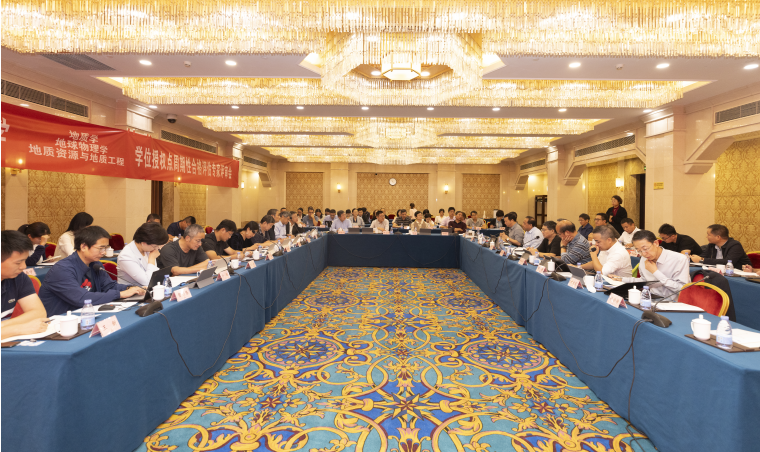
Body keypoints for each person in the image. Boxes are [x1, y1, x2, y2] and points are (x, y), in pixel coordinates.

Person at [40, 226, 143, 316]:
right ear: (83, 247)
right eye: (101, 248)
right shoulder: (62, 270)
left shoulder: (95, 264)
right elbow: (82, 298)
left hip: (86, 315)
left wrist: (132, 288)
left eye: (105, 248)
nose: (104, 252)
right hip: (62, 323)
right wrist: (120, 294)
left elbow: (109, 286)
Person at [1, 231, 49, 339]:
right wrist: (19, 328)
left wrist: (4, 328)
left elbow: (39, 313)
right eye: (18, 262)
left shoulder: (19, 277)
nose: (24, 266)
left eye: (25, 260)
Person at [620, 230, 690, 298]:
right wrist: (621, 279)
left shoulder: (679, 259)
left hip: (672, 302)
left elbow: (682, 289)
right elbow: (644, 280)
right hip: (651, 299)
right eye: (639, 251)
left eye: (645, 249)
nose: (643, 254)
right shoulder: (644, 258)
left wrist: (655, 272)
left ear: (656, 243)